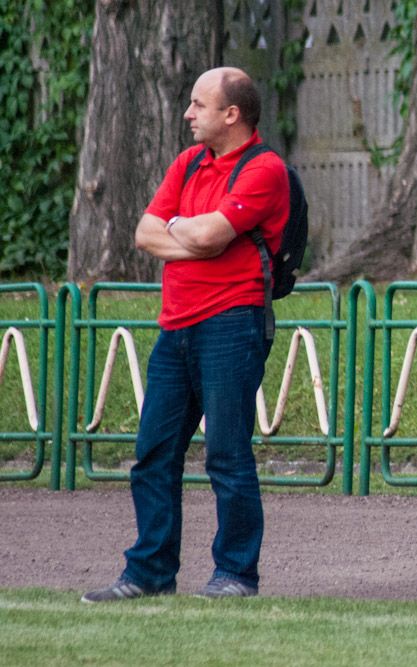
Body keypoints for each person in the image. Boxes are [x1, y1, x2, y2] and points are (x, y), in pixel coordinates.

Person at [82, 67, 290, 602]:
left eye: (199, 105)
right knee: (153, 453)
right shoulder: (188, 162)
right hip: (175, 326)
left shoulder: (264, 169)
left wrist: (188, 230)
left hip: (232, 324)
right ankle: (149, 572)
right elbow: (144, 233)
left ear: (232, 114)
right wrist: (191, 234)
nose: (188, 113)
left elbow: (214, 234)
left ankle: (236, 574)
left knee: (226, 454)